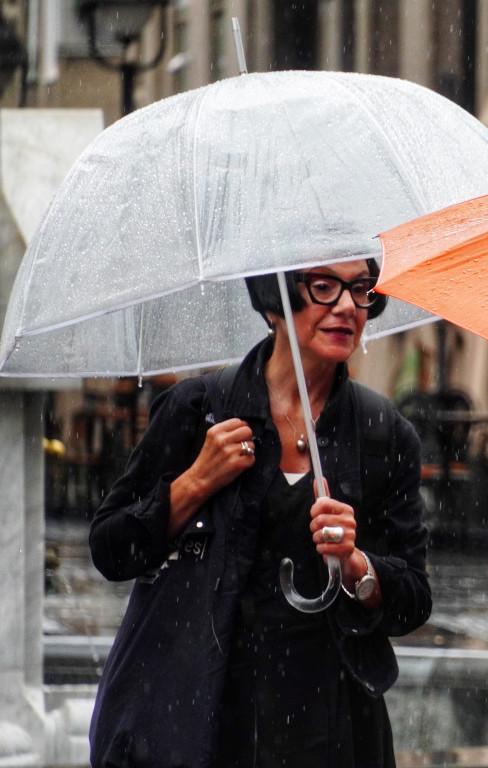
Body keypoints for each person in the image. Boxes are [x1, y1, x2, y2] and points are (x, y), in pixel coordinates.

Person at [88, 259, 432, 767]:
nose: (345, 307)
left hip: (328, 726)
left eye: (360, 289)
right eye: (323, 287)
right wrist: (195, 481)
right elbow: (112, 549)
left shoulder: (384, 435)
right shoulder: (196, 408)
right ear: (274, 302)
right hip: (201, 715)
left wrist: (358, 565)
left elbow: (413, 602)